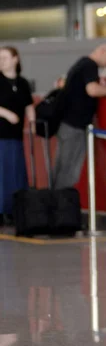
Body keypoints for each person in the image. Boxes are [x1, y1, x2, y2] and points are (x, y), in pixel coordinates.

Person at [53, 43, 106, 190]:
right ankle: (61, 206)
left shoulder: (83, 63)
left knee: (64, 167)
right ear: (102, 51)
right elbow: (92, 90)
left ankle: (58, 204)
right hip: (74, 126)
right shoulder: (89, 65)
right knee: (69, 169)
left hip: (68, 124)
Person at [0, 46, 35, 226]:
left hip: (16, 136)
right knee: (2, 173)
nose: (2, 61)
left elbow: (29, 105)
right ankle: (2, 210)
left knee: (16, 172)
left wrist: (33, 122)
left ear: (15, 59)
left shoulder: (22, 83)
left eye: (5, 57)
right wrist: (6, 113)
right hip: (1, 134)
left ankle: (17, 209)